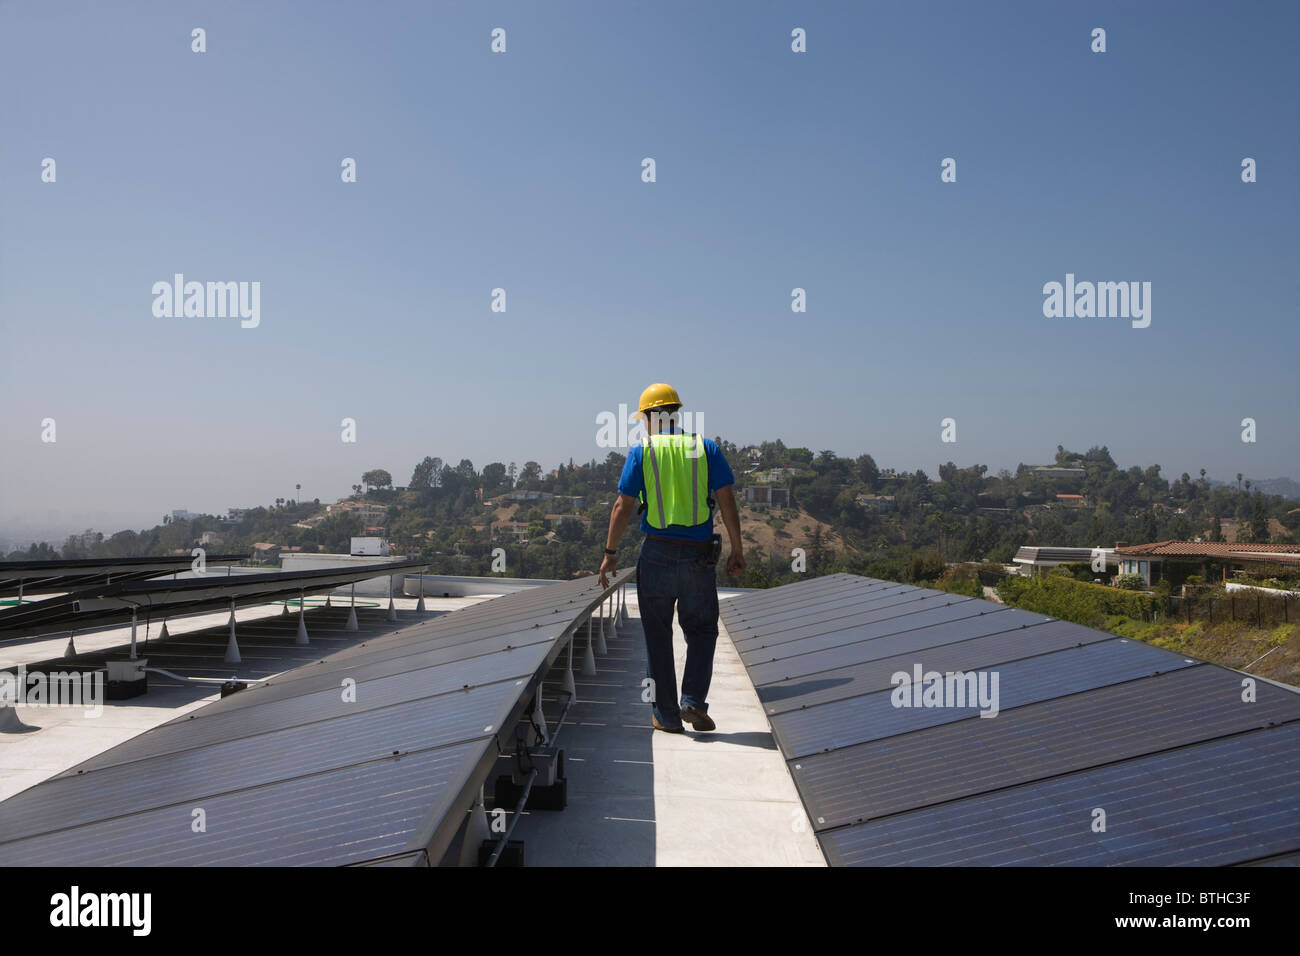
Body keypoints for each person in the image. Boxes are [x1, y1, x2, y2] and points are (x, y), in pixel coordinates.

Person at [598, 384, 745, 733]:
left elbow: (623, 506)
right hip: (698, 556)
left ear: (649, 416)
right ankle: (692, 701)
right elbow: (727, 501)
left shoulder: (642, 452)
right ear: (675, 412)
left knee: (658, 633)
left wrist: (609, 553)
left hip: (657, 552)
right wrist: (738, 550)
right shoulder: (706, 448)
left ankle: (666, 716)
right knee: (702, 630)